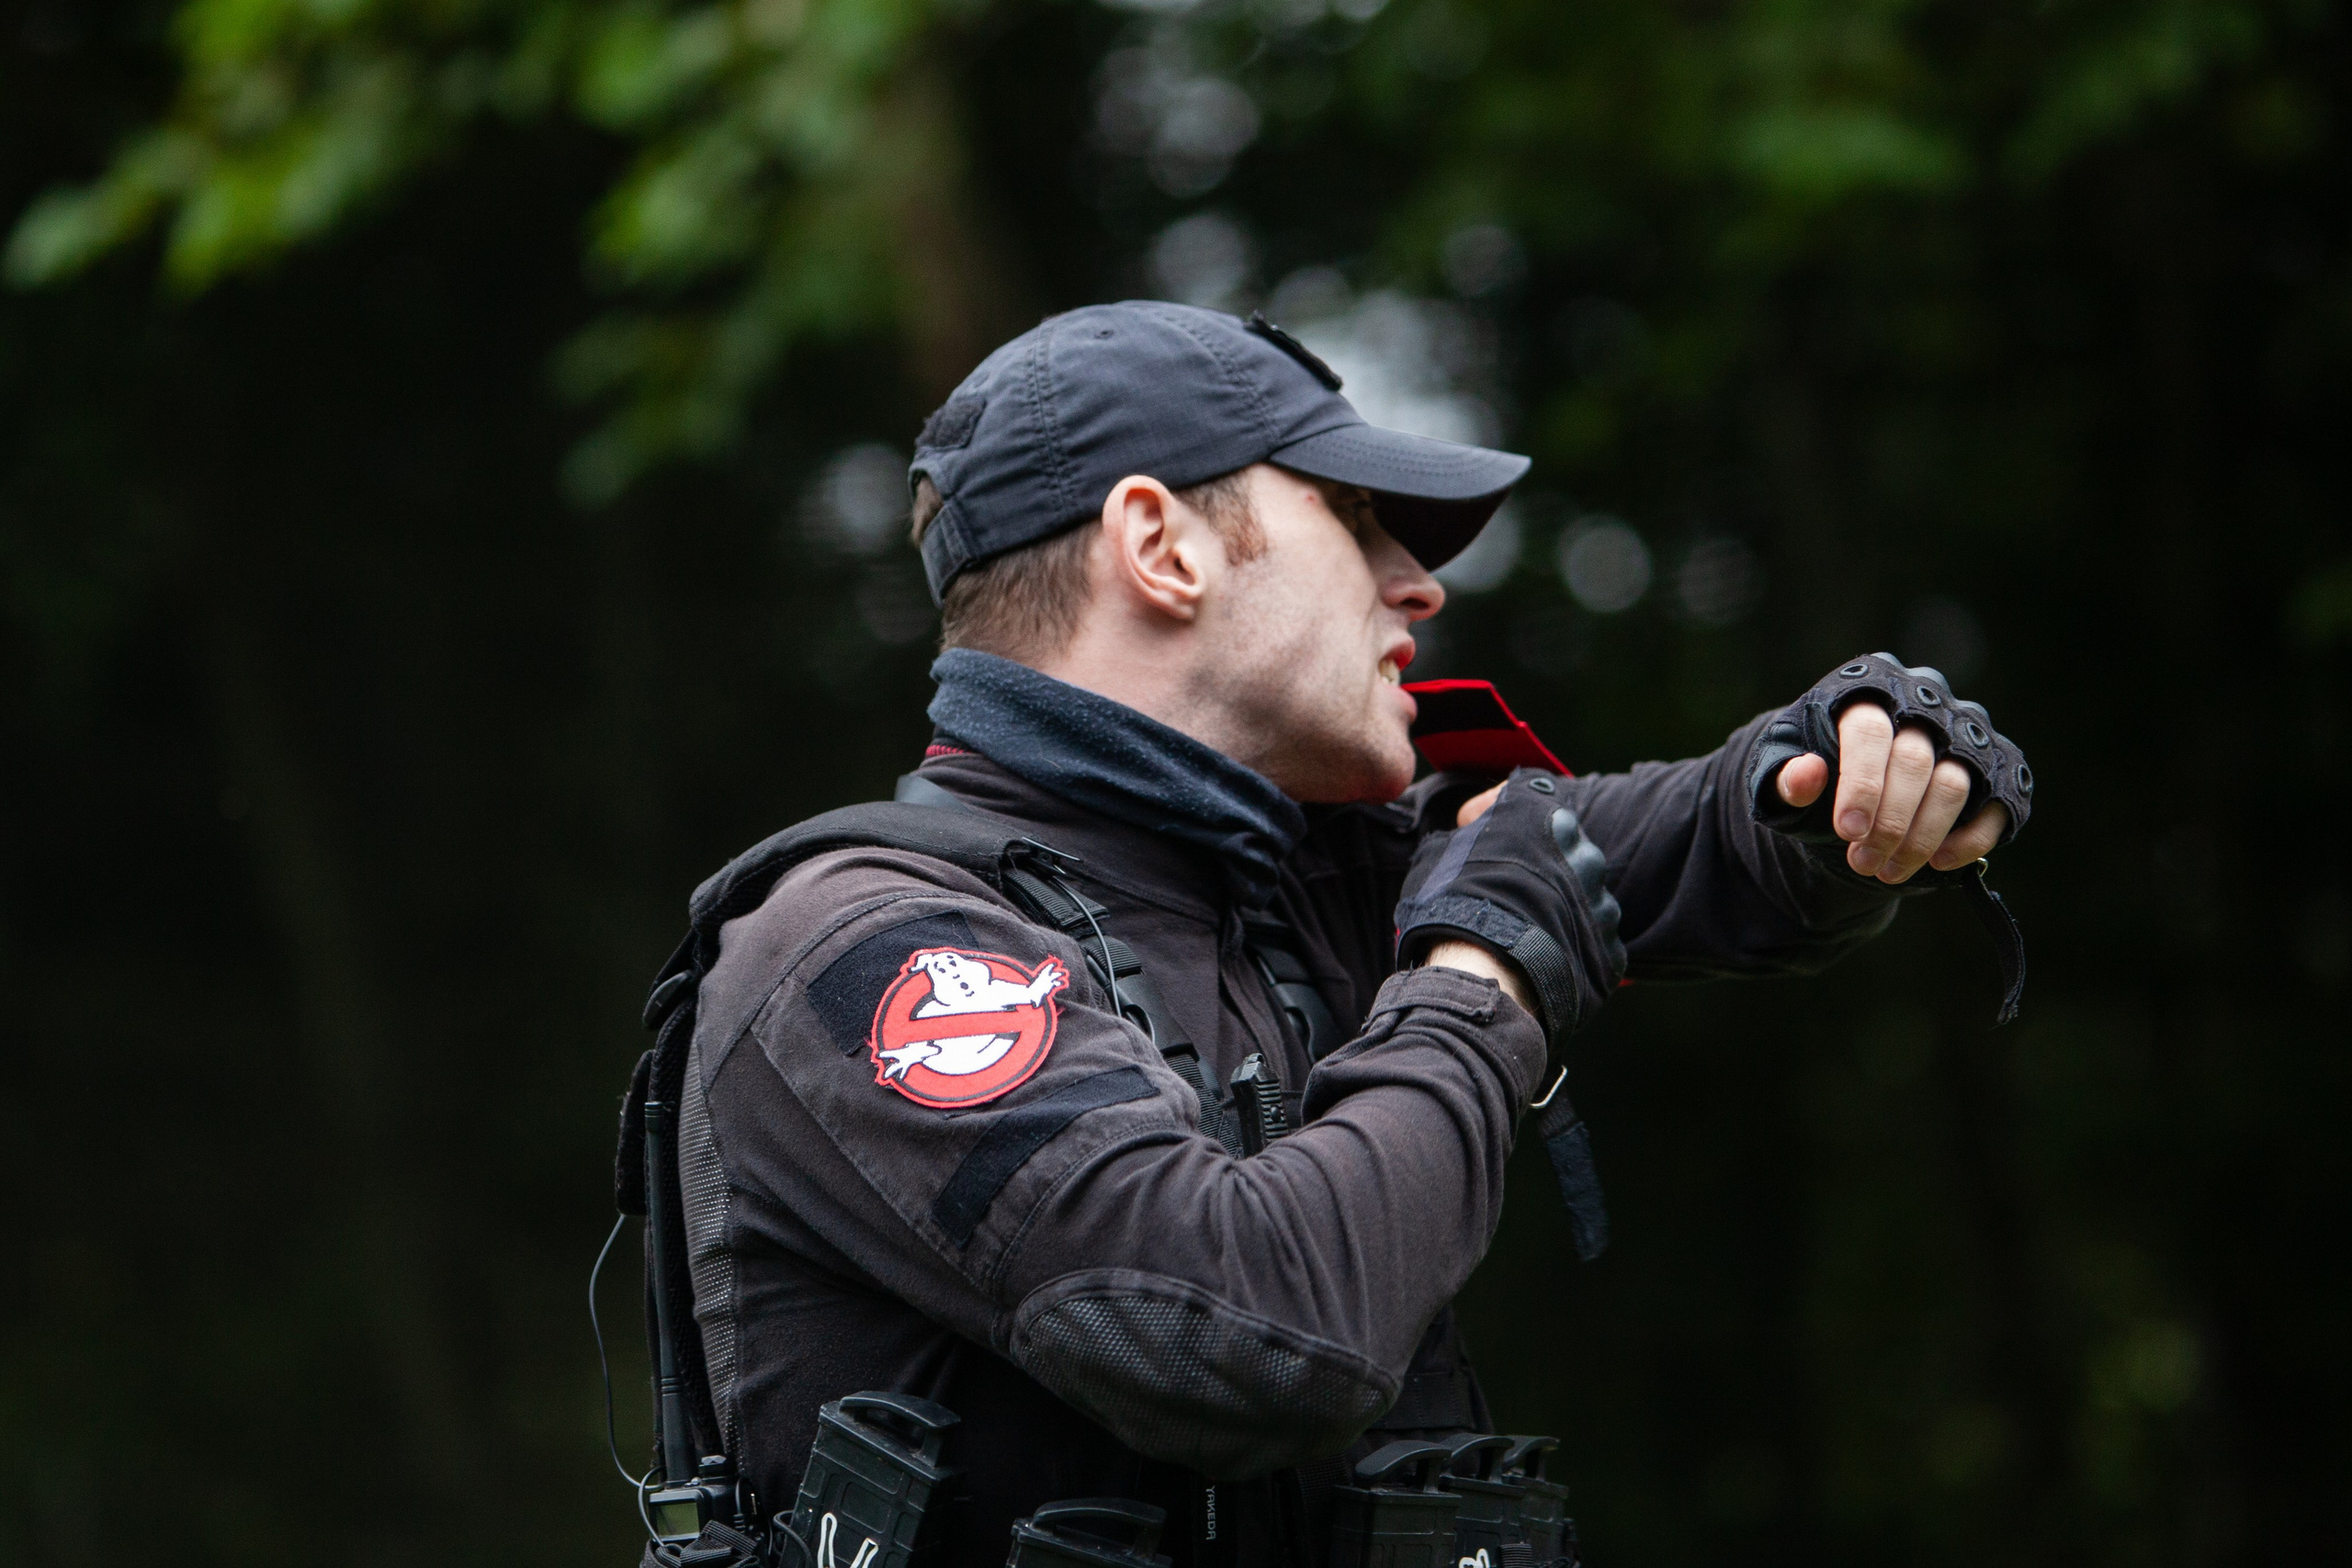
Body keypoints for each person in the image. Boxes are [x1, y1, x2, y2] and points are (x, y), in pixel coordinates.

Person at [662, 302, 2031, 1567]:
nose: (1416, 585)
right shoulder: (862, 955)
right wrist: (1483, 979)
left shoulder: (1309, 876)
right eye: (1355, 518)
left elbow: (1701, 845)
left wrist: (1842, 767)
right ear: (1161, 545)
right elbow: (1253, 1340)